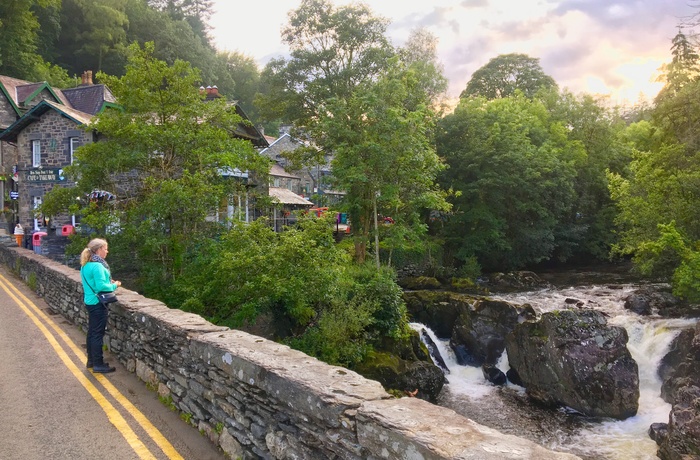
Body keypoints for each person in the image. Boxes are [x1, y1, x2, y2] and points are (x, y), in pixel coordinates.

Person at [80, 238, 121, 373]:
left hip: (90, 301)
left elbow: (96, 281)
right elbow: (101, 286)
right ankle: (98, 364)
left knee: (92, 332)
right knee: (97, 334)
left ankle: (91, 361)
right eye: (105, 248)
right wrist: (115, 285)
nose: (107, 251)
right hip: (98, 303)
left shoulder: (86, 264)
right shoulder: (97, 266)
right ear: (98, 250)